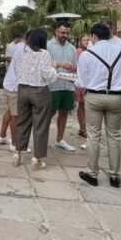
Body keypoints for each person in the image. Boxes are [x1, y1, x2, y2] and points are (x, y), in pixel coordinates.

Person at [76, 23, 121, 188]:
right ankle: (114, 176)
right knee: (114, 137)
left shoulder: (87, 54)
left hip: (94, 96)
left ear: (93, 36)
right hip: (116, 98)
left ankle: (92, 174)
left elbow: (82, 82)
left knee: (93, 136)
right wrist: (120, 82)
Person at [12, 29, 58, 170]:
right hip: (39, 90)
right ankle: (36, 159)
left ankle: (17, 153)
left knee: (22, 122)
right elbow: (47, 75)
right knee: (41, 125)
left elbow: (15, 70)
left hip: (22, 89)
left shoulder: (19, 53)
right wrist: (54, 68)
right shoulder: (43, 53)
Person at [0, 32, 31, 153]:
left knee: (10, 111)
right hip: (14, 86)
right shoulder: (27, 50)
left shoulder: (17, 46)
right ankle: (15, 144)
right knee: (15, 115)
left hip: (9, 83)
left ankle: (2, 136)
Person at [47, 22, 78, 152]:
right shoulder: (47, 45)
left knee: (64, 112)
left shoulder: (72, 48)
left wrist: (74, 67)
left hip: (68, 84)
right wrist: (59, 64)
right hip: (53, 84)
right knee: (49, 113)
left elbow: (75, 65)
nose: (65, 35)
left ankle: (60, 139)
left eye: (67, 33)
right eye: (63, 32)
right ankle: (42, 138)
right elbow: (42, 64)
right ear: (56, 32)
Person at [75, 34, 90, 138]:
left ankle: (84, 127)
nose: (86, 42)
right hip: (82, 80)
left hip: (90, 80)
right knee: (82, 105)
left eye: (88, 39)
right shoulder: (80, 51)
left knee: (87, 106)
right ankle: (82, 127)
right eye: (83, 40)